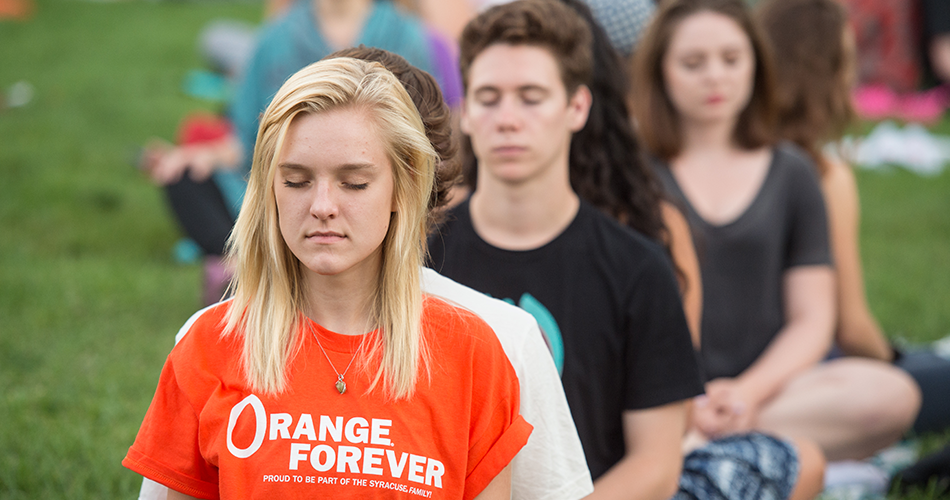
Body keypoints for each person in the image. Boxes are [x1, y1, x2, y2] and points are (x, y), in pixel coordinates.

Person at [138, 46, 594, 500]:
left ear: (406, 186)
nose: (321, 207)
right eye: (295, 181)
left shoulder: (478, 355)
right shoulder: (208, 345)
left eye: (354, 183)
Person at [428, 1, 709, 498]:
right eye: (488, 97)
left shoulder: (639, 268)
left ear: (577, 107)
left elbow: (657, 464)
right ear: (465, 112)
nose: (508, 119)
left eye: (531, 97)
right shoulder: (420, 254)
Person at [631, 0, 920, 463]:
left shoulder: (794, 171)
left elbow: (813, 318)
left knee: (891, 394)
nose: (714, 76)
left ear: (756, 64)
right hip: (659, 395)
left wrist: (746, 393)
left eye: (731, 59)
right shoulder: (632, 174)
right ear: (660, 71)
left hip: (772, 392)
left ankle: (706, 449)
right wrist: (685, 403)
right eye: (692, 63)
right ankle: (704, 445)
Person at [142, 0, 463, 305]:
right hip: (272, 186)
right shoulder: (276, 37)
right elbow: (246, 133)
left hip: (380, 198)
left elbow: (428, 134)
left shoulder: (407, 35)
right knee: (184, 175)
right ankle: (241, 264)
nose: (323, 206)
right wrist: (202, 155)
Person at [756, 0, 950, 436]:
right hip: (801, 379)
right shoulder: (822, 174)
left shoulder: (729, 156)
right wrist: (894, 361)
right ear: (828, 70)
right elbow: (852, 329)